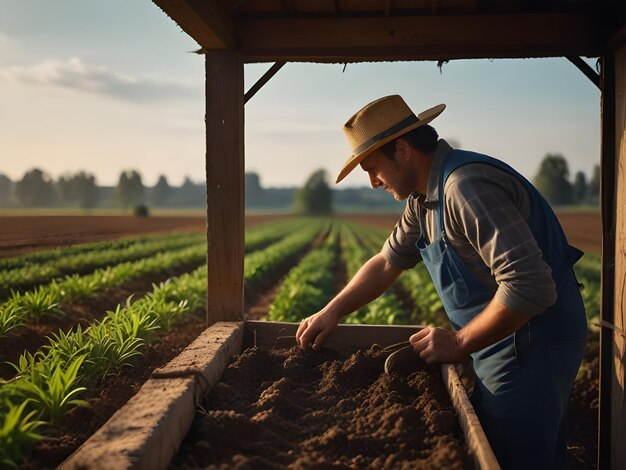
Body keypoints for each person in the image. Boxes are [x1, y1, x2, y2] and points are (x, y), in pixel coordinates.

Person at [295, 95, 588, 470]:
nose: (372, 183)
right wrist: (330, 311)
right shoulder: (424, 199)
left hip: (531, 341)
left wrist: (459, 341)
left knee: (514, 458)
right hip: (503, 340)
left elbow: (530, 286)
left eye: (372, 169)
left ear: (402, 150)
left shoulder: (464, 188)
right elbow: (387, 261)